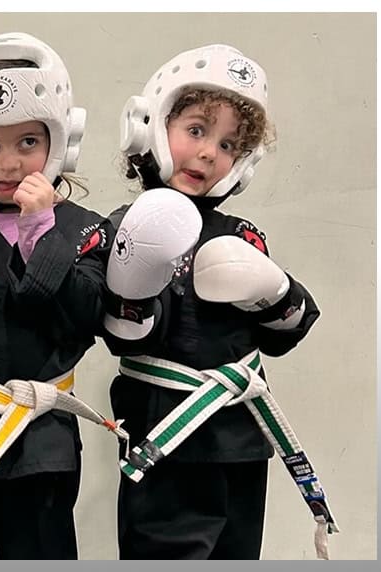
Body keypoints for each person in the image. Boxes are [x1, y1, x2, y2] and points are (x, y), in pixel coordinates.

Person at [0, 32, 199, 560]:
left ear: (58, 143)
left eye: (28, 142)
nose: (9, 163)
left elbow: (88, 318)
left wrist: (41, 230)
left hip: (42, 437)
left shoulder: (86, 229)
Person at [108, 43, 337, 559]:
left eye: (230, 145)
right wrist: (132, 287)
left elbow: (285, 336)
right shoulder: (121, 228)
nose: (210, 152)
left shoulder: (242, 234)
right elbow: (110, 331)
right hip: (167, 441)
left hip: (242, 440)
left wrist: (274, 290)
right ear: (151, 126)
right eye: (196, 131)